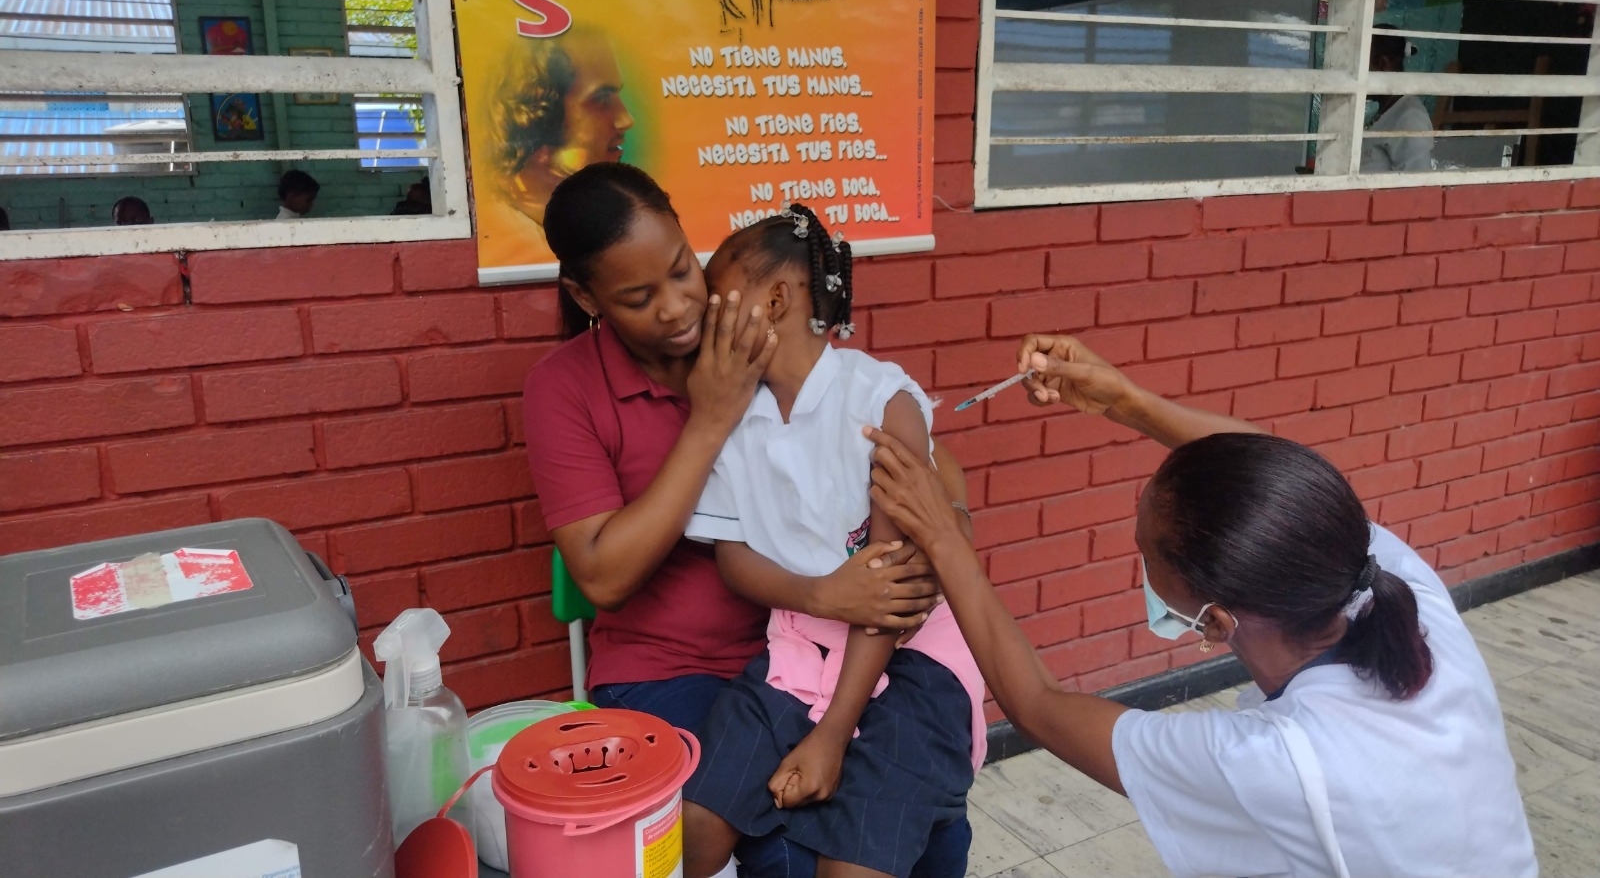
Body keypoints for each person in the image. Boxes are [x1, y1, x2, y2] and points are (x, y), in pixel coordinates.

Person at [865, 334, 1537, 878]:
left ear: (1216, 621)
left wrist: (943, 536)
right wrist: (1123, 399)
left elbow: (1039, 703)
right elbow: (1276, 476)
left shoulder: (1285, 763)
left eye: (1145, 550)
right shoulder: (1398, 583)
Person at [521, 163, 970, 876]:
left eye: (679, 269)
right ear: (586, 295)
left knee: (924, 822)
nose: (676, 308)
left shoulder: (743, 328)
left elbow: (894, 434)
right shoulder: (567, 387)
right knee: (787, 847)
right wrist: (710, 419)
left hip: (810, 644)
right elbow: (603, 576)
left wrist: (947, 524)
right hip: (680, 664)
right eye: (639, 296)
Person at [680, 205, 983, 878]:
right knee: (697, 823)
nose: (704, 321)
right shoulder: (733, 416)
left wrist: (831, 735)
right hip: (798, 642)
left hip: (908, 655)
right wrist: (818, 593)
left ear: (777, 299)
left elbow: (892, 591)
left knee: (851, 864)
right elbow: (734, 559)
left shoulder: (881, 403)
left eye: (719, 302)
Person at [478, 28, 634, 267]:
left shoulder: (592, 225)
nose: (626, 120)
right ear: (539, 117)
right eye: (601, 99)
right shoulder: (518, 242)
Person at [1362, 26, 1434, 173]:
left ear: (1383, 64)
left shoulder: (1410, 117)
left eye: (1361, 66)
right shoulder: (1384, 112)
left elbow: (1416, 186)